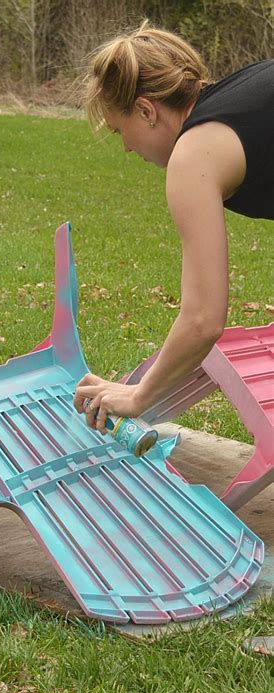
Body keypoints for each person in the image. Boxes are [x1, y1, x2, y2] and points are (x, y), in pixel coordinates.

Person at [73, 19, 273, 433]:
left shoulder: (194, 153)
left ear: (146, 111)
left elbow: (203, 319)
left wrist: (139, 395)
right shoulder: (245, 94)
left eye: (120, 130)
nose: (126, 146)